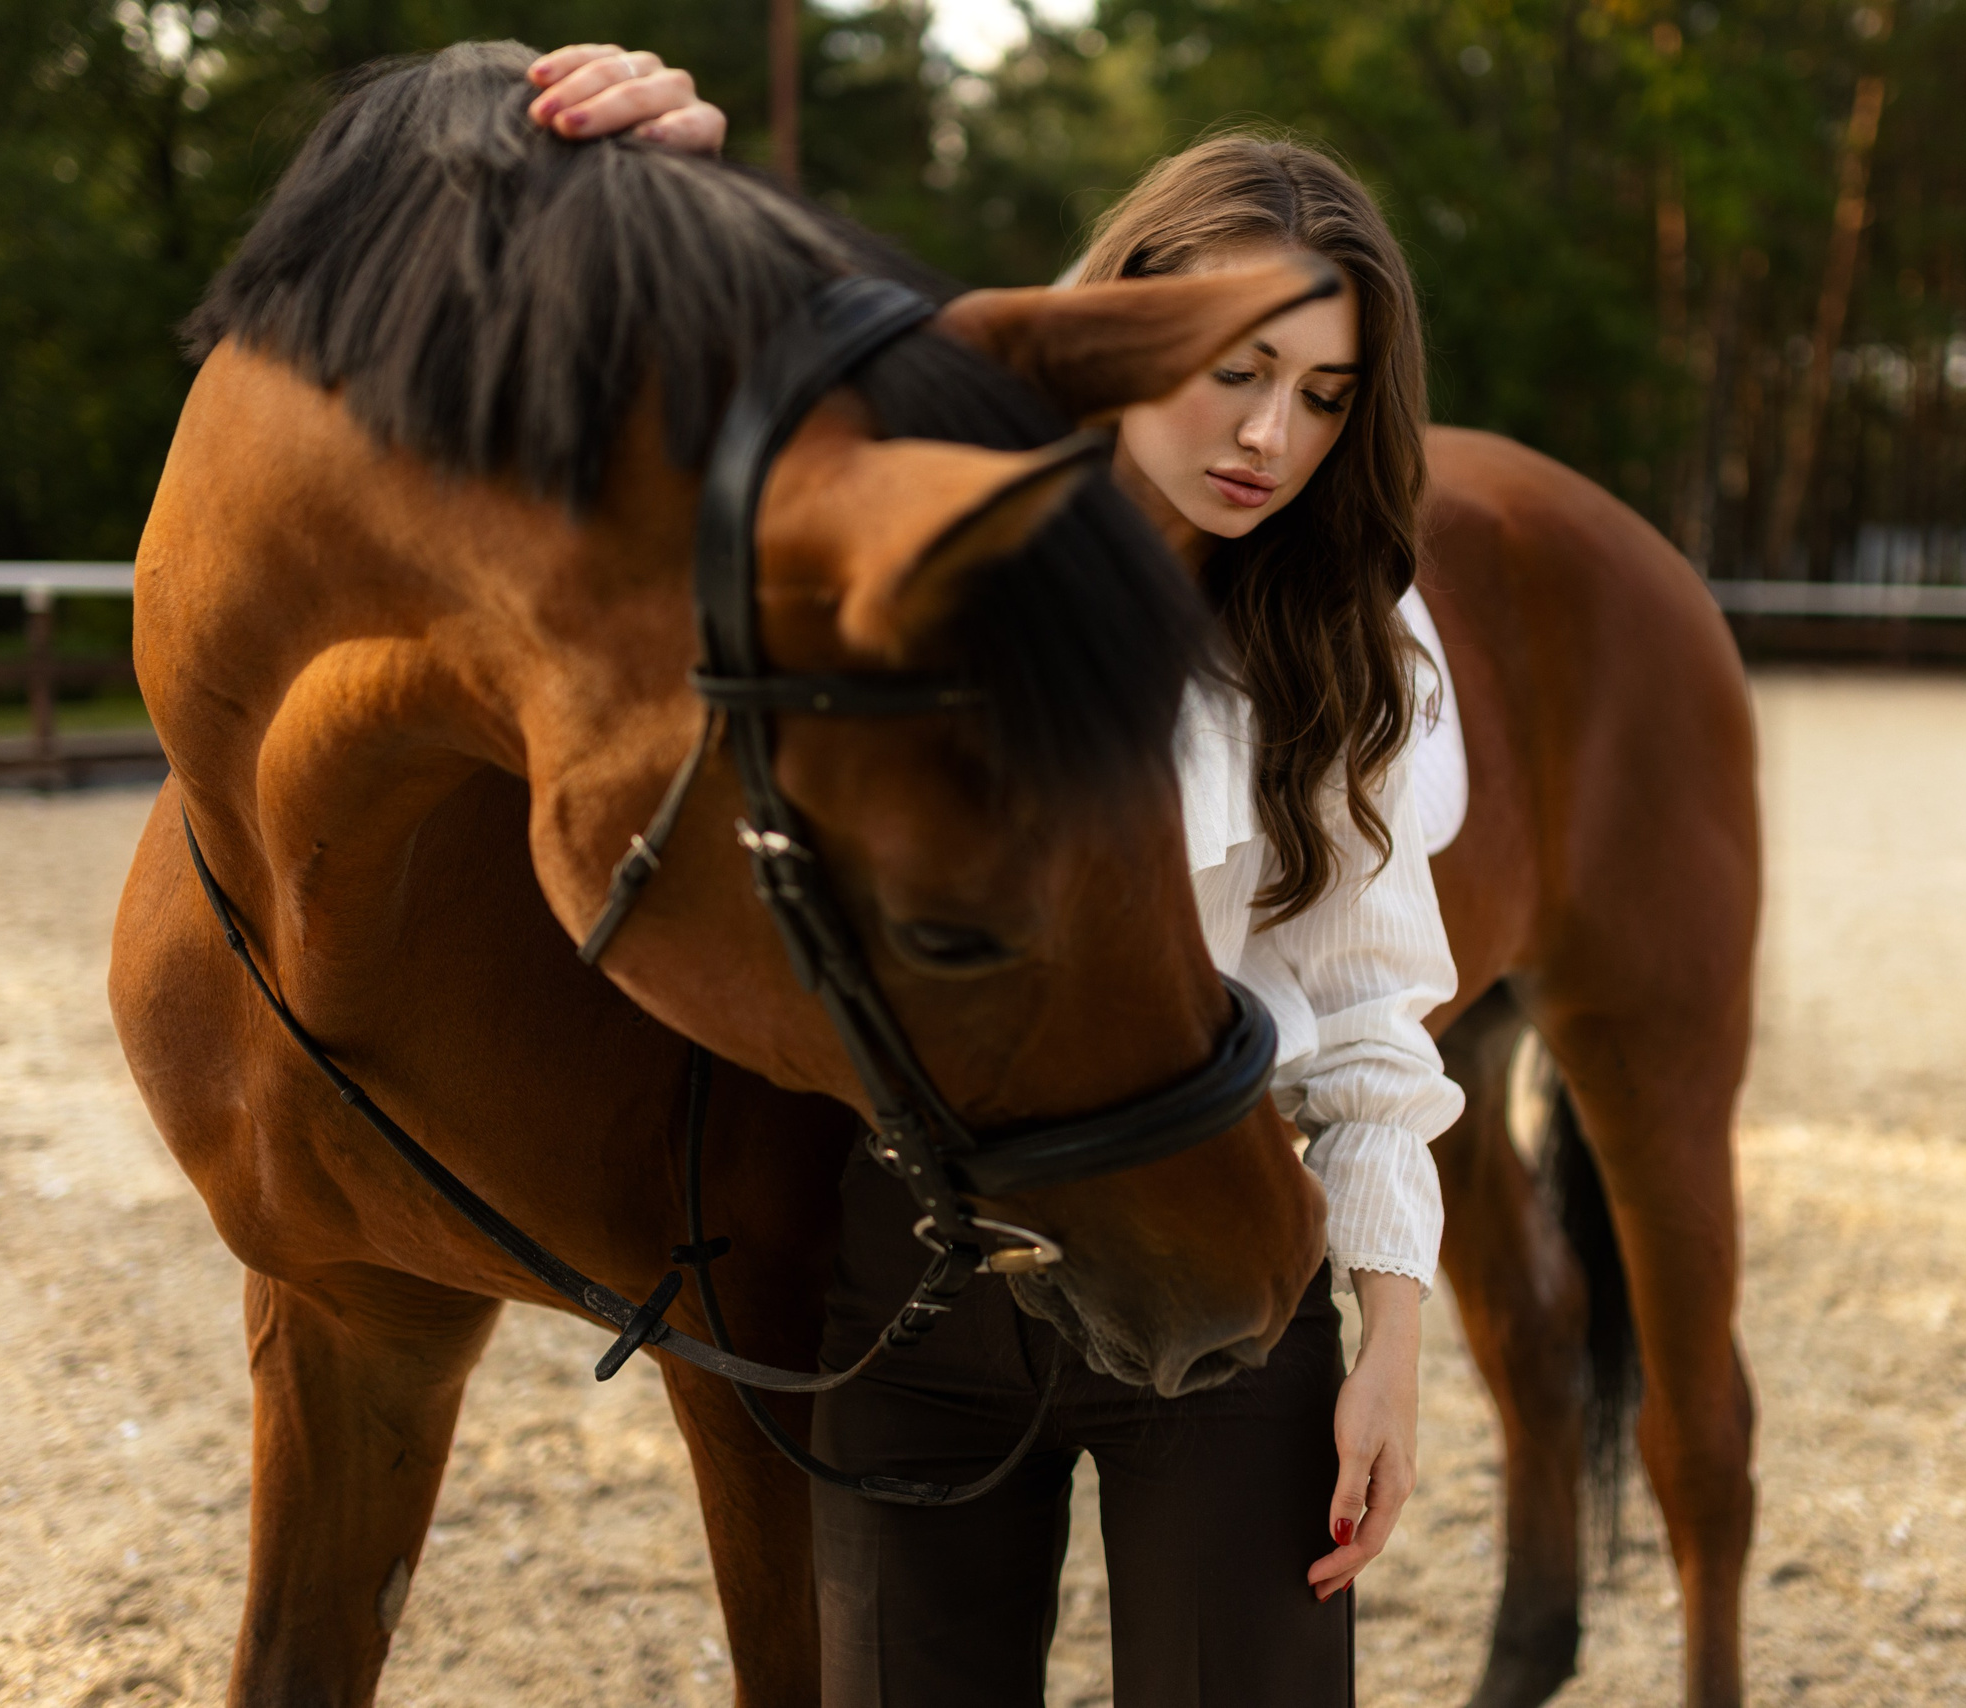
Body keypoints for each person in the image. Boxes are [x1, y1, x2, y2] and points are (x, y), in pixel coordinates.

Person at [526, 45, 1464, 1708]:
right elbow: (687, 430)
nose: (1273, 436)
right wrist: (657, 175)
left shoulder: (1348, 634)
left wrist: (1390, 1341)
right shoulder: (926, 526)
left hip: (1223, 1281)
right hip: (918, 1288)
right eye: (1238, 370)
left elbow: (1371, 1011)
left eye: (1325, 396)